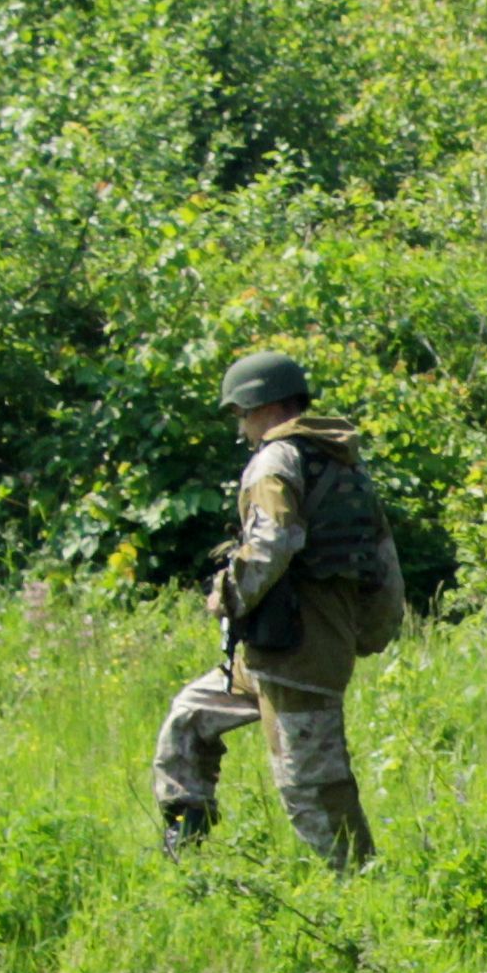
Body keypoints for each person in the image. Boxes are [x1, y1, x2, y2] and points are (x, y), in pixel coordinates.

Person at [150, 352, 407, 867]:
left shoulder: (275, 461)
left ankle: (361, 885)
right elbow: (385, 558)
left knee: (309, 786)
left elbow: (274, 542)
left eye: (239, 414)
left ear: (256, 405)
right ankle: (186, 853)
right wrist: (375, 629)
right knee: (190, 719)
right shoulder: (340, 464)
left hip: (298, 652)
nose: (241, 428)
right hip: (275, 651)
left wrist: (226, 596)